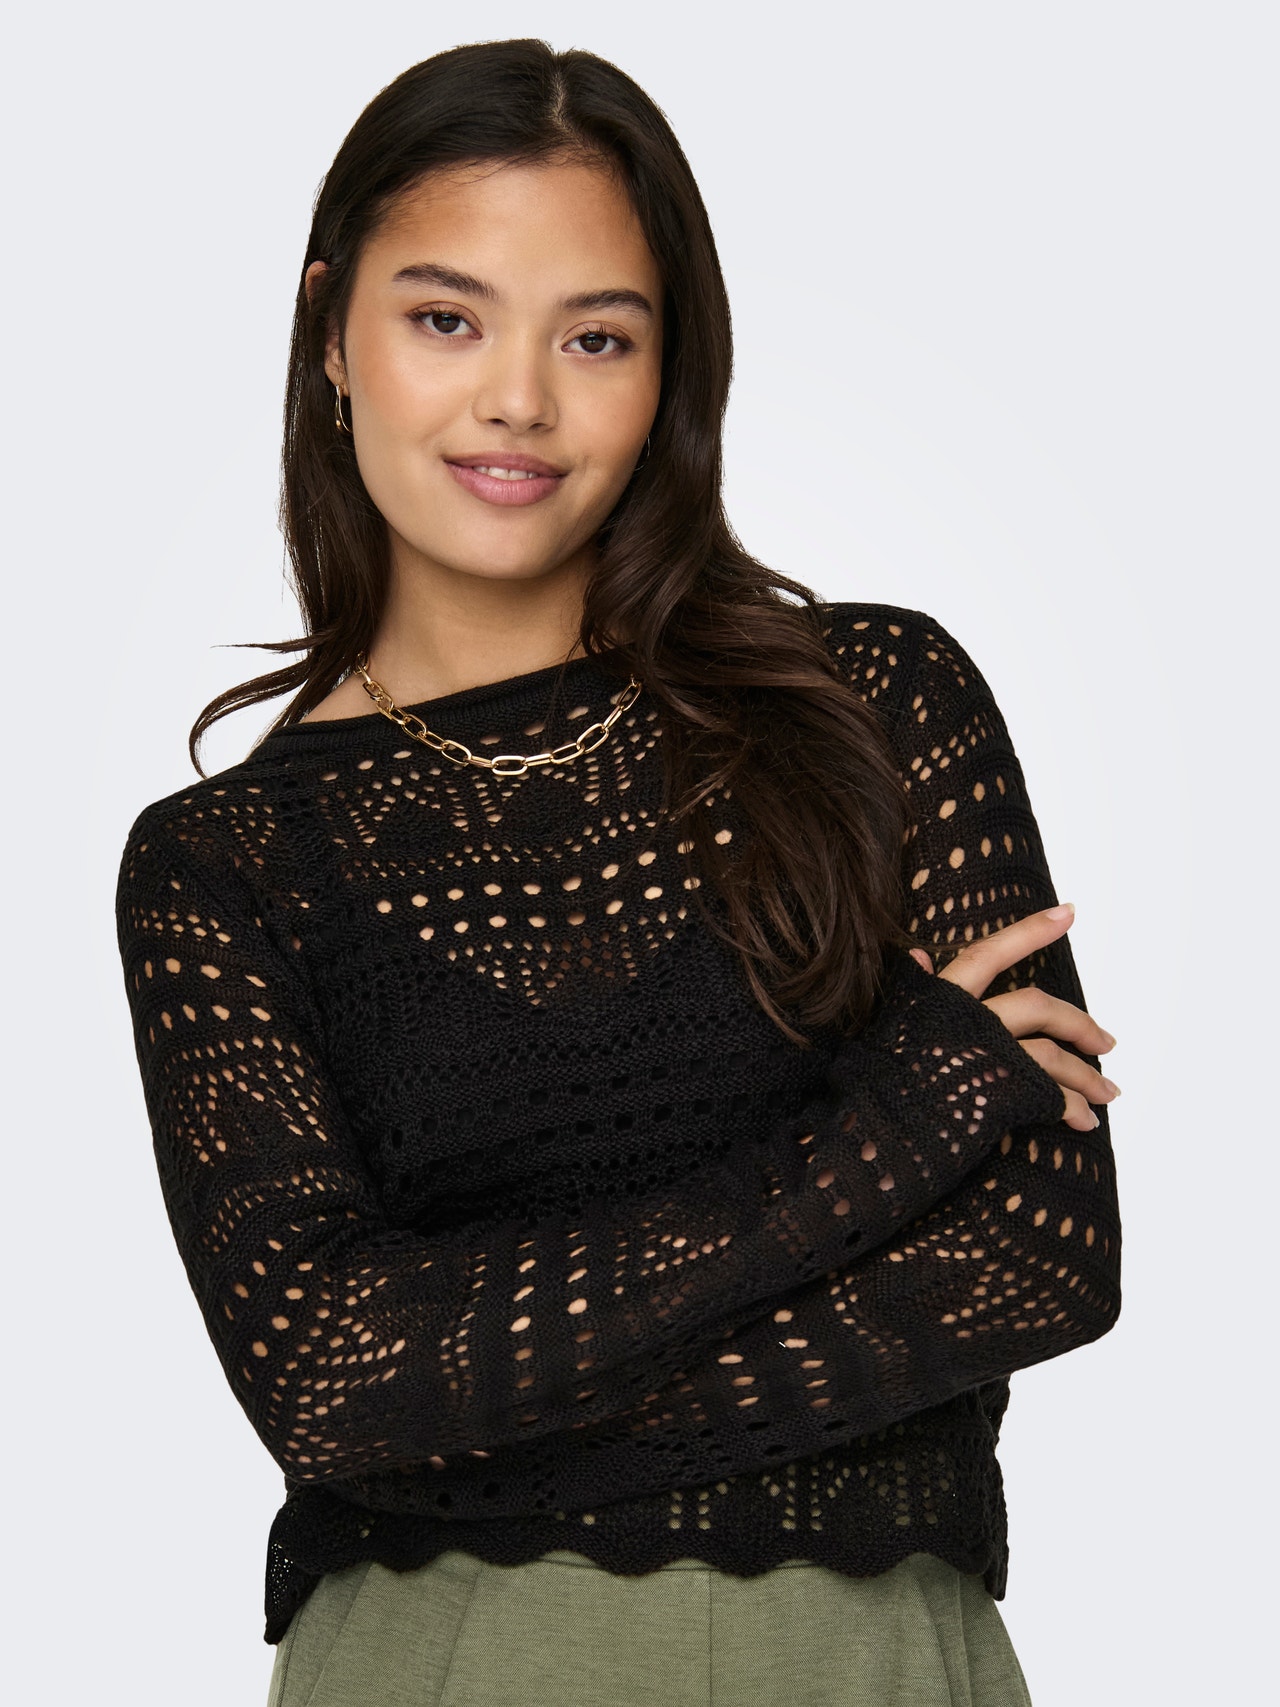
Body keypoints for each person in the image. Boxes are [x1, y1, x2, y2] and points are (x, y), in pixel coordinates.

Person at [114, 38, 1121, 1707]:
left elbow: (1037, 1258)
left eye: (597, 337)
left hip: (870, 1656)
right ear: (332, 334)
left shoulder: (876, 706)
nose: (519, 399)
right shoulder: (226, 865)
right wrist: (889, 1135)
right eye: (448, 319)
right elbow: (334, 1383)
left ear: (671, 372)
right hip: (449, 1662)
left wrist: (474, 1403)